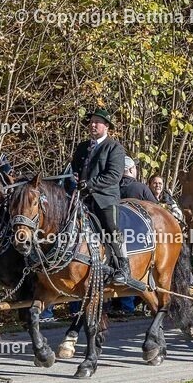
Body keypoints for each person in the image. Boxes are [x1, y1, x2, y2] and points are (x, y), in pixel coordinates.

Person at [70, 108, 130, 283]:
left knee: (111, 228)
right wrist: (73, 178)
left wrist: (89, 184)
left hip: (105, 198)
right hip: (81, 197)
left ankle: (123, 265)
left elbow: (114, 175)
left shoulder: (114, 147)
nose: (93, 125)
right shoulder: (82, 147)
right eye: (91, 122)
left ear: (106, 126)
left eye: (97, 122)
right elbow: (74, 170)